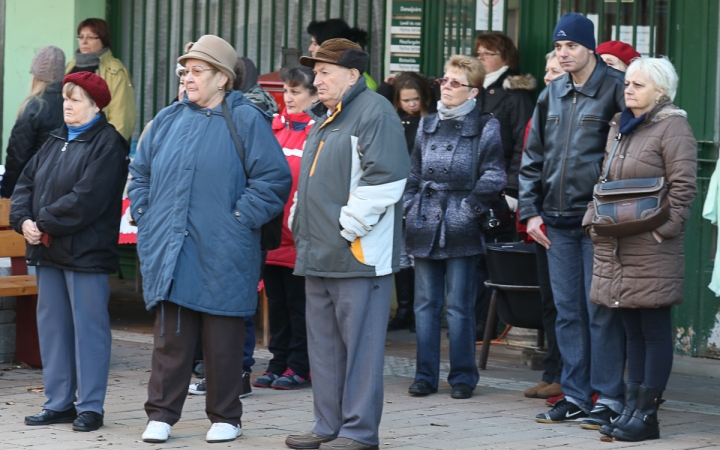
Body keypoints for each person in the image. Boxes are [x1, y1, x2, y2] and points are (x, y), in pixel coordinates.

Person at [128, 35, 290, 444]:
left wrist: (238, 220)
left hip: (223, 248)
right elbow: (140, 172)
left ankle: (226, 416)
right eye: (185, 71)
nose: (188, 78)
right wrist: (145, 214)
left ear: (222, 78)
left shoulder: (247, 119)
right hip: (172, 245)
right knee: (172, 339)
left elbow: (273, 180)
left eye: (197, 71)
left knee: (223, 340)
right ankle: (162, 414)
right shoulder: (167, 119)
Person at [284, 38, 409, 450]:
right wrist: (299, 218)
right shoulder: (328, 117)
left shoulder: (376, 112)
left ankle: (358, 432)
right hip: (318, 252)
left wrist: (346, 228)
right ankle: (327, 425)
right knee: (324, 350)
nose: (315, 79)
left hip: (356, 255)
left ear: (352, 75)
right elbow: (312, 179)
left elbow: (386, 179)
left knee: (360, 352)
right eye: (315, 72)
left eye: (324, 72)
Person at [518, 13, 627, 428]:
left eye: (572, 47)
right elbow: (532, 159)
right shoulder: (552, 93)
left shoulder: (615, 91)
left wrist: (603, 210)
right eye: (559, 47)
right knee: (567, 312)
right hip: (554, 222)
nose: (564, 54)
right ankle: (576, 395)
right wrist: (529, 212)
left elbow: (623, 160)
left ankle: (610, 398)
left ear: (590, 48)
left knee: (599, 310)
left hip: (596, 222)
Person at [583, 57, 697, 442]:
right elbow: (604, 180)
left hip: (650, 245)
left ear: (660, 92)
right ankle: (631, 408)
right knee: (630, 328)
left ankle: (647, 416)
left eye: (638, 85)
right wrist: (590, 220)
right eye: (628, 83)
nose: (628, 89)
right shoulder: (620, 126)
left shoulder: (673, 126)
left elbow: (683, 188)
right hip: (616, 241)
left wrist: (662, 233)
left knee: (653, 328)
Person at [12, 72, 129, 432]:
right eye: (66, 97)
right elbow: (25, 184)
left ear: (96, 107)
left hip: (86, 255)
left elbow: (87, 199)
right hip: (46, 251)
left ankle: (90, 406)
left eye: (76, 99)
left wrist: (41, 221)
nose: (67, 105)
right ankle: (59, 402)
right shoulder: (53, 139)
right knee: (53, 328)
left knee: (89, 331)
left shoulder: (108, 144)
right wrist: (23, 219)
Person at [404, 55, 505, 401]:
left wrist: (468, 209)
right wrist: (409, 205)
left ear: (473, 92)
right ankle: (424, 375)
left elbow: (494, 175)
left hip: (460, 223)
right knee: (424, 304)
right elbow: (414, 173)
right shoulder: (427, 123)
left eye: (455, 83)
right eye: (444, 80)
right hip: (423, 221)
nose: (446, 87)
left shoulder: (486, 126)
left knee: (459, 305)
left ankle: (463, 376)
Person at [252, 66, 317, 391]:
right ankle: (278, 362)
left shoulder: (317, 132)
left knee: (299, 307)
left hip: (301, 238)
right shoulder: (274, 129)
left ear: (314, 95)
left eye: (296, 92)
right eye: (286, 92)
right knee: (276, 305)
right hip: (273, 237)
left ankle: (300, 366)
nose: (288, 98)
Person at [472, 31, 536, 340]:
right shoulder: (475, 89)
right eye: (478, 52)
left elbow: (524, 147)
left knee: (491, 260)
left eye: (487, 53)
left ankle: (488, 325)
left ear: (505, 59)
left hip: (500, 190)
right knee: (472, 262)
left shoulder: (515, 94)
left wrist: (512, 191)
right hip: (474, 189)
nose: (480, 57)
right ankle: (472, 322)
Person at [522, 49, 566, 402]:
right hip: (540, 218)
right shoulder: (541, 108)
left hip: (565, 218)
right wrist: (529, 212)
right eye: (547, 70)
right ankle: (553, 369)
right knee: (549, 301)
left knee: (569, 303)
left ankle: (569, 375)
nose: (549, 76)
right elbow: (527, 165)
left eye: (556, 71)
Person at [386, 72, 431, 332]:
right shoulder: (394, 119)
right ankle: (404, 310)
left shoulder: (429, 121)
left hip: (420, 192)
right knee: (401, 253)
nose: (411, 104)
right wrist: (386, 84)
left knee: (416, 254)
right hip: (396, 190)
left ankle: (418, 309)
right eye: (405, 100)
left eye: (415, 99)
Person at [1, 46, 65, 198]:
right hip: (63, 188)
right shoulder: (71, 103)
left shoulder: (34, 106)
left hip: (32, 188)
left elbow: (17, 157)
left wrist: (6, 193)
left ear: (36, 76)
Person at [65, 18, 137, 141]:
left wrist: (109, 146)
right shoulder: (71, 66)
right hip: (69, 138)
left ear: (103, 40)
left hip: (98, 143)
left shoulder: (114, 70)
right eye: (81, 37)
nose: (84, 42)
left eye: (90, 37)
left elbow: (122, 116)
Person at [306, 18, 378, 91]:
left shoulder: (363, 85)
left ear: (332, 45)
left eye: (315, 44)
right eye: (316, 73)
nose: (310, 49)